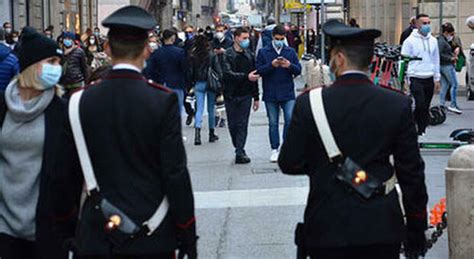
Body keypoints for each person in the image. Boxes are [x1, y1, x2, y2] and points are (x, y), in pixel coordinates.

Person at [53, 5, 197, 258]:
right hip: (152, 229)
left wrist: (66, 229)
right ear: (147, 50)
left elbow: (64, 175)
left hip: (96, 232)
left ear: (107, 49)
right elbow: (175, 174)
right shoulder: (161, 101)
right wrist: (186, 230)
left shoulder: (78, 102)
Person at [279, 19, 428, 259]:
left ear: (339, 58)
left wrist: (324, 166)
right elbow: (411, 173)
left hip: (327, 226)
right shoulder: (397, 104)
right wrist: (416, 228)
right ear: (370, 60)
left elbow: (289, 162)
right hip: (381, 227)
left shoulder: (310, 103)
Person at [0, 27, 72, 259]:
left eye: (58, 62)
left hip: (46, 226)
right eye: (51, 61)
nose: (56, 68)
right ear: (31, 66)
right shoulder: (3, 107)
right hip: (3, 226)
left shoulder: (61, 111)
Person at [256, 25, 302, 162]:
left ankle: (286, 147)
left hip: (287, 91)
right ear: (272, 37)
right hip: (270, 92)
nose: (279, 41)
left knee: (289, 120)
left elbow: (298, 70)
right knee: (273, 122)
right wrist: (272, 65)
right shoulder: (264, 52)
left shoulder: (290, 52)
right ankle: (274, 148)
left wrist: (289, 66)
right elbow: (259, 70)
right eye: (277, 39)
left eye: (282, 39)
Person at [222, 27, 260, 164]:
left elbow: (254, 76)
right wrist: (246, 77)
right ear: (236, 38)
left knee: (242, 124)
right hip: (231, 95)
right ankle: (238, 146)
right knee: (232, 125)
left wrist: (256, 97)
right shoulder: (227, 54)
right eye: (244, 38)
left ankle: (240, 151)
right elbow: (227, 74)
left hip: (245, 95)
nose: (246, 40)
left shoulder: (250, 55)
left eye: (247, 38)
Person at [401, 13, 441, 136]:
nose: (427, 26)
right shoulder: (409, 41)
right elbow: (403, 60)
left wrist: (437, 78)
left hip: (429, 76)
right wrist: (404, 78)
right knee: (420, 104)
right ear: (417, 24)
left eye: (429, 23)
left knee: (426, 106)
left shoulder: (433, 41)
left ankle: (421, 128)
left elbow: (436, 59)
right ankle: (417, 126)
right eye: (424, 23)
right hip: (415, 76)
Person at [188, 34, 221, 145]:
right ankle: (211, 134)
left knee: (199, 109)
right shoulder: (211, 55)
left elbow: (190, 72)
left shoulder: (193, 55)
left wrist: (191, 83)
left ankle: (197, 136)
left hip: (198, 84)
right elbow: (218, 71)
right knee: (211, 109)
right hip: (210, 83)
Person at [145, 29, 187, 114]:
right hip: (177, 84)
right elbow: (185, 68)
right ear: (173, 38)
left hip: (161, 84)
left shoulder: (157, 53)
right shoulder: (180, 52)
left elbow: (149, 69)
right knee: (176, 111)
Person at [438, 22, 462, 114]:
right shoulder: (442, 41)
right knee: (454, 84)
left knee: (445, 85)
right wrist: (451, 58)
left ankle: (442, 104)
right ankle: (453, 104)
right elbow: (440, 54)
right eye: (451, 34)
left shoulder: (442, 40)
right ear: (446, 32)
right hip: (446, 65)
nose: (452, 36)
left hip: (443, 65)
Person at [59, 32, 89, 98]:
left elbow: (84, 67)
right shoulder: (60, 52)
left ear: (73, 40)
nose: (67, 40)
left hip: (76, 82)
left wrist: (87, 82)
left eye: (69, 39)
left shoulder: (79, 51)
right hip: (63, 83)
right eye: (65, 39)